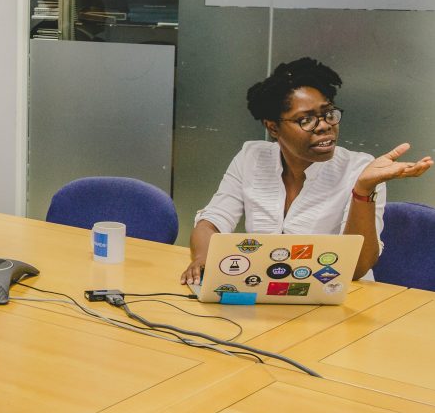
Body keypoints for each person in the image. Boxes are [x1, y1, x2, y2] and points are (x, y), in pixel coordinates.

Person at [182, 58, 432, 284]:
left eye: (328, 114)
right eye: (306, 119)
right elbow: (211, 223)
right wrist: (202, 258)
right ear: (273, 127)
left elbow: (357, 268)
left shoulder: (361, 169)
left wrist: (363, 190)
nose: (324, 126)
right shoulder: (252, 157)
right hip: (263, 291)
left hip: (341, 301)